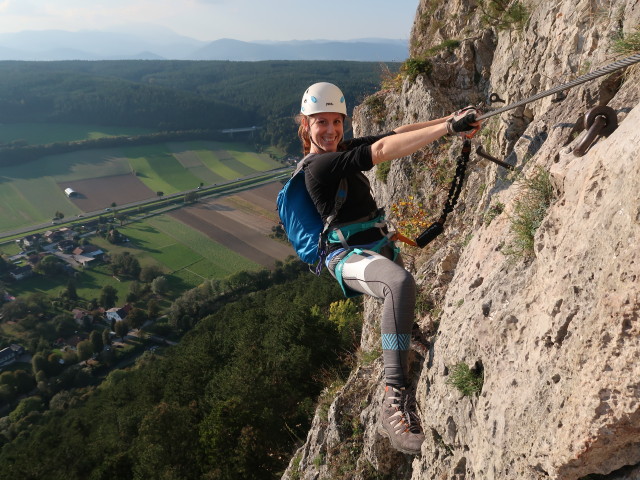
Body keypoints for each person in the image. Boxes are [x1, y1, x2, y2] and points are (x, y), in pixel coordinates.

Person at [295, 82, 481, 455]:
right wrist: (449, 130)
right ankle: (393, 397)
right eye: (321, 123)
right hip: (345, 256)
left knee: (401, 289)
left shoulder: (341, 148)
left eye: (337, 121)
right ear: (306, 126)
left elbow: (392, 134)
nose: (331, 130)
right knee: (398, 282)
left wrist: (452, 118)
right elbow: (380, 151)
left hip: (374, 244)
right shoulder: (319, 166)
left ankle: (408, 335)